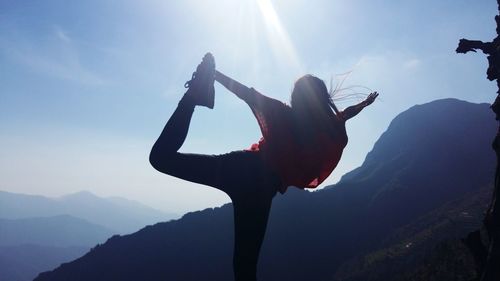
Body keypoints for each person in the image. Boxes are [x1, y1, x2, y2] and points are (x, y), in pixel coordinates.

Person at [149, 53, 378, 281]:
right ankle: (195, 96)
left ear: (297, 97)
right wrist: (364, 104)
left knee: (161, 158)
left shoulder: (283, 113)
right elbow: (345, 115)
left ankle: (193, 98)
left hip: (239, 169)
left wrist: (215, 75)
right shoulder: (327, 129)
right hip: (260, 191)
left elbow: (246, 93)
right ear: (322, 99)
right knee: (245, 268)